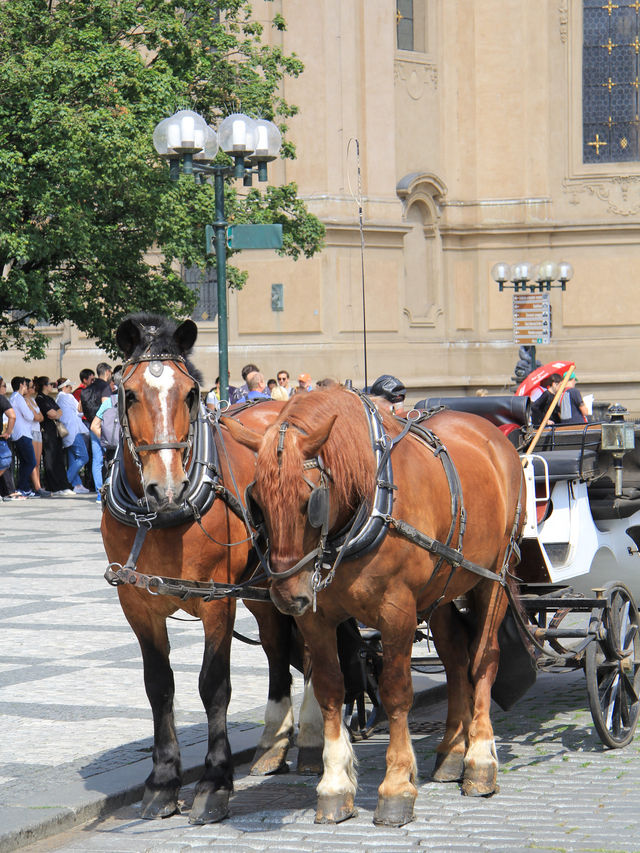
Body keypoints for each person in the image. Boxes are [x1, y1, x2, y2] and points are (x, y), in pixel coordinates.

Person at [34, 376, 74, 496]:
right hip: (47, 431)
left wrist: (55, 414)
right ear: (44, 385)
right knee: (50, 459)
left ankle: (63, 485)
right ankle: (54, 486)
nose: (52, 386)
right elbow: (51, 414)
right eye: (50, 384)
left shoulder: (49, 398)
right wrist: (55, 414)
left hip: (55, 431)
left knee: (59, 459)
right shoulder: (40, 399)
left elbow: (59, 412)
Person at [80, 362, 112, 495]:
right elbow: (107, 406)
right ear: (108, 372)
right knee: (111, 457)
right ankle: (110, 489)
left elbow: (79, 408)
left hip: (92, 425)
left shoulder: (87, 389)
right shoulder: (105, 387)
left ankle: (100, 492)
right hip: (104, 427)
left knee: (96, 460)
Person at [56, 379, 90, 494]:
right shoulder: (68, 397)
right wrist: (81, 400)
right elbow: (80, 411)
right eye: (69, 386)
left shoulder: (59, 398)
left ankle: (76, 484)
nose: (71, 388)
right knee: (83, 457)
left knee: (73, 459)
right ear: (64, 387)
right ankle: (65, 483)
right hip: (74, 431)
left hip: (67, 432)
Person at [9, 376, 38, 496]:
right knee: (31, 462)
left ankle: (24, 487)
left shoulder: (13, 397)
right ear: (21, 385)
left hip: (19, 434)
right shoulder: (19, 398)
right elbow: (30, 416)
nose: (27, 388)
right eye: (26, 385)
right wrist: (31, 411)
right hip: (23, 434)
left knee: (25, 462)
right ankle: (22, 487)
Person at [24, 378, 50, 497]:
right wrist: (37, 416)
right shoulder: (25, 400)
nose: (34, 389)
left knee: (38, 462)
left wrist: (38, 416)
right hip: (31, 431)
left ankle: (38, 485)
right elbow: (35, 417)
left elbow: (41, 417)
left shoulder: (33, 400)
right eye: (32, 387)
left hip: (38, 430)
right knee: (33, 461)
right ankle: (36, 486)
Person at [0, 376, 23, 501]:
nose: (5, 388)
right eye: (4, 385)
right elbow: (12, 416)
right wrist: (8, 432)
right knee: (5, 460)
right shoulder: (2, 399)